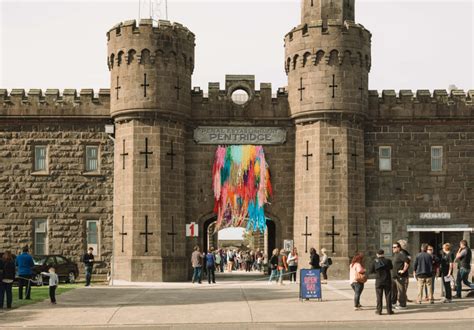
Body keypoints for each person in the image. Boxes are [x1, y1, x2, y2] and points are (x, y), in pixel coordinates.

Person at [369, 249, 393, 315]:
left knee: (379, 296)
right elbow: (391, 267)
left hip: (379, 280)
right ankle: (389, 310)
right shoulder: (388, 261)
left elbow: (371, 271)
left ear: (377, 254)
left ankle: (379, 310)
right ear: (383, 253)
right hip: (387, 280)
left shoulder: (374, 261)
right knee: (388, 295)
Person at [391, 242, 409, 310]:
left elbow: (407, 261)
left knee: (401, 291)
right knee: (394, 290)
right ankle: (393, 303)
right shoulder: (396, 254)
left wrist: (403, 270)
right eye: (393, 247)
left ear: (399, 247)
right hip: (395, 276)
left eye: (395, 247)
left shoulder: (402, 254)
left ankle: (402, 305)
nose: (393, 248)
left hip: (400, 276)